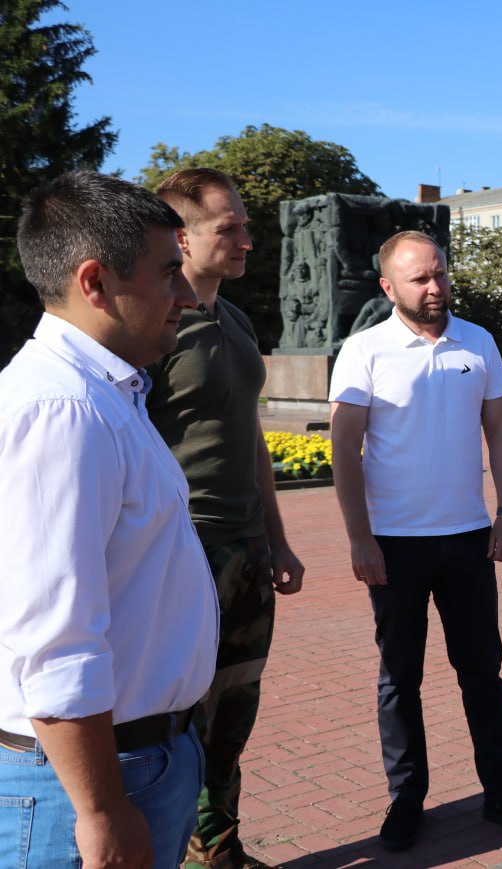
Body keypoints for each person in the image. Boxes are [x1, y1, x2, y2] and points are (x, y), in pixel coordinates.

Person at [0, 171, 220, 867]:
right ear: (94, 282)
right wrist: (99, 808)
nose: (186, 295)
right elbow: (54, 635)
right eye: (168, 274)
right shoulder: (60, 410)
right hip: (88, 780)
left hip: (136, 760)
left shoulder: (106, 393)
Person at [329, 230, 502, 853]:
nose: (434, 288)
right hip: (394, 545)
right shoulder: (365, 350)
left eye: (440, 275)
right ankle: (407, 798)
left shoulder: (477, 342)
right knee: (400, 678)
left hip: (467, 539)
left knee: (482, 671)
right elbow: (343, 450)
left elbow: (501, 433)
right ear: (388, 287)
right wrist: (360, 538)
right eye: (419, 280)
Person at [149, 168, 306, 869]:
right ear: (182, 237)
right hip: (183, 549)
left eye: (245, 224)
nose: (248, 239)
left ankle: (218, 848)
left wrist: (277, 537)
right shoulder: (156, 326)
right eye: (229, 228)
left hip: (243, 546)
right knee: (181, 714)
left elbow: (251, 440)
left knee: (235, 708)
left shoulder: (235, 319)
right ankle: (174, 847)